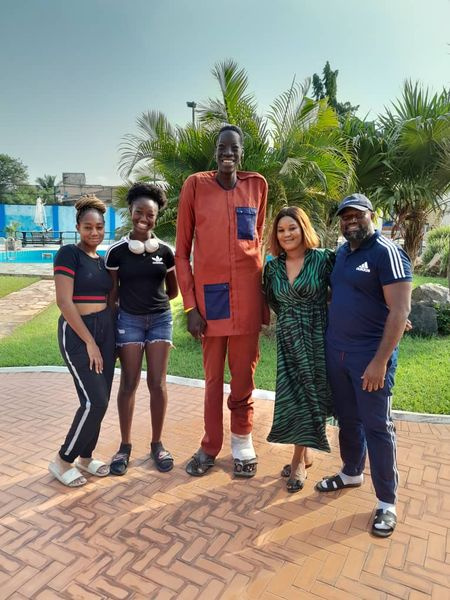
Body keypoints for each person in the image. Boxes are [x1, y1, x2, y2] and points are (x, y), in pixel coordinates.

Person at [315, 193, 412, 538]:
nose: (350, 221)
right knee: (348, 419)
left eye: (357, 215)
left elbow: (401, 311)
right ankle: (351, 472)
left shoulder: (386, 252)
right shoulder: (342, 253)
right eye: (345, 217)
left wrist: (380, 361)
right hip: (337, 353)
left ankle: (387, 502)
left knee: (378, 427)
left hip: (369, 358)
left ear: (372, 215)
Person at [175, 124, 268, 478]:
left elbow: (256, 237)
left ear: (242, 152)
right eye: (221, 148)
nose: (227, 153)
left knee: (243, 376)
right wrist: (190, 306)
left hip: (246, 296)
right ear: (215, 152)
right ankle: (210, 444)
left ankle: (242, 441)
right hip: (210, 301)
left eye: (234, 148)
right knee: (213, 379)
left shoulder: (256, 185)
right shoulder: (195, 186)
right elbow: (182, 254)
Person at [105, 183, 178, 475]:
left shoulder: (166, 252)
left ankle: (157, 444)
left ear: (156, 217)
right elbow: (112, 296)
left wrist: (152, 304)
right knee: (129, 383)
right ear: (131, 212)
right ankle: (124, 446)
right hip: (129, 321)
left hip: (160, 319)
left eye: (150, 214)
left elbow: (172, 291)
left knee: (157, 384)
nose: (144, 218)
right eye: (139, 212)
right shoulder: (117, 253)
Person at [263, 207, 335, 492]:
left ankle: (296, 463)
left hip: (316, 337)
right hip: (288, 339)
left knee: (309, 397)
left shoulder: (323, 260)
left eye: (291, 227)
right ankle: (305, 454)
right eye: (281, 230)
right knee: (292, 398)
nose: (287, 234)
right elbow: (274, 301)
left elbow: (350, 290)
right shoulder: (272, 267)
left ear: (303, 228)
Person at [48, 195, 115, 487]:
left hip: (106, 331)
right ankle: (63, 460)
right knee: (95, 401)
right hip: (78, 333)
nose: (94, 233)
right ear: (78, 227)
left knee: (100, 398)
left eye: (99, 227)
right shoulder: (68, 254)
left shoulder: (101, 261)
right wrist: (89, 341)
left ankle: (86, 458)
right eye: (88, 227)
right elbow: (64, 301)